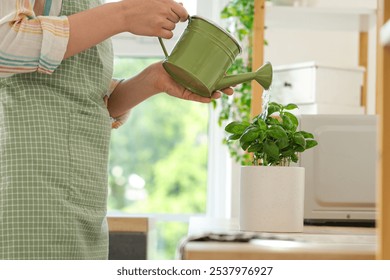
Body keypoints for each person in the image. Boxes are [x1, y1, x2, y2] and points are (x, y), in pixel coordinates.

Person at [0, 0, 233, 260]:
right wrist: (124, 14)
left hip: (82, 194)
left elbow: (81, 99)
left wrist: (155, 79)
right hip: (32, 189)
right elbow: (5, 42)